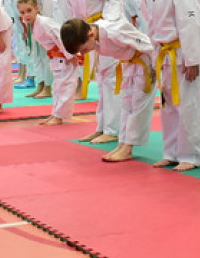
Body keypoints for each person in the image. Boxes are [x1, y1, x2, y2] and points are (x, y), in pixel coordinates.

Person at [139, 0, 200, 171]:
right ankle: (172, 152)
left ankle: (192, 155)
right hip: (165, 56)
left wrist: (193, 59)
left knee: (188, 106)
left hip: (182, 55)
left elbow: (191, 23)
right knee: (168, 107)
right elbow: (153, 30)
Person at [61, 14, 155, 161]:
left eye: (84, 49)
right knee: (126, 104)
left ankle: (128, 148)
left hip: (145, 64)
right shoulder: (95, 33)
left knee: (138, 106)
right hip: (129, 64)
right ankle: (122, 144)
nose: (84, 53)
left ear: (90, 34)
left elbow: (148, 44)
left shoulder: (114, 32)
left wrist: (156, 67)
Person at [64, 0, 123, 143]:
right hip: (88, 33)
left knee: (111, 79)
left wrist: (107, 25)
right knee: (100, 80)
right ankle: (102, 126)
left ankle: (113, 129)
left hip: (104, 29)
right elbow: (73, 10)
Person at [17, 0, 77, 127]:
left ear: (37, 8)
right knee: (57, 87)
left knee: (64, 87)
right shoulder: (34, 24)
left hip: (64, 56)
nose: (26, 15)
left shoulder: (44, 22)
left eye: (29, 10)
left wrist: (70, 55)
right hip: (56, 57)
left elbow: (60, 36)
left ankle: (59, 116)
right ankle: (55, 114)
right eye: (22, 12)